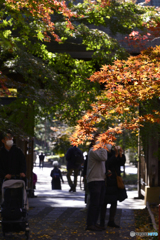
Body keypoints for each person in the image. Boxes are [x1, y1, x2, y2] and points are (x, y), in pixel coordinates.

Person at [99, 145, 127, 229]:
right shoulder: (103, 153)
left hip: (115, 180)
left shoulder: (116, 153)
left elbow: (121, 162)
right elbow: (107, 163)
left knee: (114, 202)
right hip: (107, 180)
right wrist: (115, 156)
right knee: (104, 202)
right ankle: (102, 221)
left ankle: (111, 221)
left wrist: (120, 153)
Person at [85, 132, 108, 231]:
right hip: (94, 180)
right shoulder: (93, 150)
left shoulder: (98, 150)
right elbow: (104, 157)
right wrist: (104, 147)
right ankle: (90, 224)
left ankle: (94, 222)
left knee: (99, 203)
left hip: (100, 179)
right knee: (94, 203)